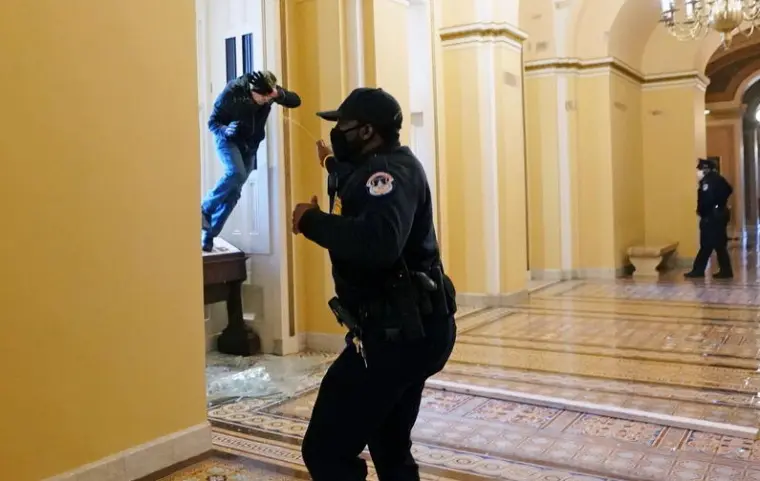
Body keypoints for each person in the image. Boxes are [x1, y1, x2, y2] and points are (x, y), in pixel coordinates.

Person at [290, 87, 457, 481]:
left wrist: (310, 220)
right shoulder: (388, 165)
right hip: (416, 329)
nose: (336, 132)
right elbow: (363, 190)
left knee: (326, 450)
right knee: (390, 444)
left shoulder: (387, 174)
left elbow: (379, 242)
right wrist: (332, 163)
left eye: (342, 126)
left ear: (366, 132)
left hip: (396, 335)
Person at [201, 70, 301, 251]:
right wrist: (226, 130)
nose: (265, 100)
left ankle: (209, 235)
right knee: (236, 173)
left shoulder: (270, 92)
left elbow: (296, 101)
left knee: (234, 193)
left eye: (268, 97)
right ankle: (204, 209)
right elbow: (212, 123)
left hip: (250, 146)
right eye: (261, 96)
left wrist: (278, 94)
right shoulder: (232, 93)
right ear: (251, 90)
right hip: (228, 140)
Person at [684, 158, 734, 279]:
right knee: (719, 244)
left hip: (711, 217)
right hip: (721, 214)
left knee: (706, 244)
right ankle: (726, 271)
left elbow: (707, 199)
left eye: (700, 169)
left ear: (705, 169)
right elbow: (729, 189)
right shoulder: (719, 178)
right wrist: (720, 202)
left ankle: (698, 270)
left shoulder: (707, 182)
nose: (698, 172)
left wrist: (702, 212)